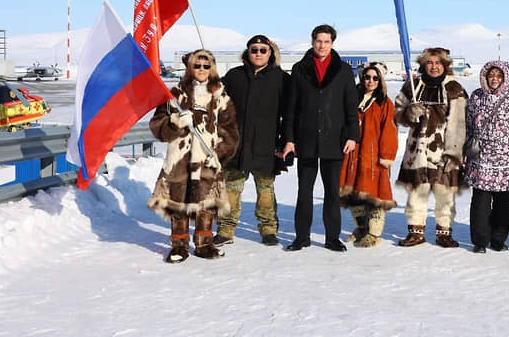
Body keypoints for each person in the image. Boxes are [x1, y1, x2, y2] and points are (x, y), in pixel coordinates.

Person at [147, 49, 239, 263]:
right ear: (189, 67)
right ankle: (179, 245)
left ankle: (204, 244)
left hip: (207, 160)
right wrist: (175, 123)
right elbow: (156, 126)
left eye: (206, 66)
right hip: (180, 160)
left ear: (212, 68)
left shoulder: (220, 96)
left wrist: (219, 155)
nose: (201, 70)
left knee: (206, 204)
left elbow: (231, 131)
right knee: (179, 203)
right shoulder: (175, 94)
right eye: (197, 65)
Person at [282, 25, 359, 252]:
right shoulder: (299, 69)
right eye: (318, 41)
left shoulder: (343, 70)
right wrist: (289, 139)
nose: (322, 45)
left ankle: (332, 237)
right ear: (312, 41)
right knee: (304, 191)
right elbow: (291, 108)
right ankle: (302, 237)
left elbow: (350, 107)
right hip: (305, 140)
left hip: (334, 140)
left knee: (331, 192)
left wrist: (352, 136)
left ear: (332, 43)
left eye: (326, 41)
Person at [214, 35, 290, 247]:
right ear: (247, 53)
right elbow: (217, 104)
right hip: (235, 145)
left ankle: (268, 229)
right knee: (230, 190)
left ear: (271, 53)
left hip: (266, 145)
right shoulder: (234, 76)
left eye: (262, 50)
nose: (258, 53)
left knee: (266, 192)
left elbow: (289, 114)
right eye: (254, 50)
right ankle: (226, 230)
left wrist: (286, 141)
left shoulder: (281, 78)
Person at [394, 47, 467, 247]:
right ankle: (415, 232)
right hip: (417, 151)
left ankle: (444, 232)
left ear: (445, 65)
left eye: (438, 63)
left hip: (444, 151)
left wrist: (454, 153)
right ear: (423, 65)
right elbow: (397, 112)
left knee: (445, 196)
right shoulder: (412, 86)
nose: (434, 67)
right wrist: (409, 113)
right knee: (417, 193)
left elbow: (461, 122)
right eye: (430, 63)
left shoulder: (454, 88)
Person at [463, 61, 509, 253]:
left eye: (499, 76)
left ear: (505, 78)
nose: (495, 79)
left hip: (505, 161)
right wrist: (465, 151)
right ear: (485, 76)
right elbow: (469, 125)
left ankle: (498, 239)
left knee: (502, 202)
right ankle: (480, 240)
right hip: (480, 158)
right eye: (491, 75)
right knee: (480, 201)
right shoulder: (476, 97)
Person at [338, 62, 399, 247]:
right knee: (355, 193)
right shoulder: (352, 99)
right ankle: (361, 228)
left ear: (380, 80)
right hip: (352, 155)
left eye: (375, 78)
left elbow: (389, 130)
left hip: (373, 156)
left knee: (374, 195)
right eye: (367, 77)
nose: (370, 81)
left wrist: (386, 155)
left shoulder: (385, 103)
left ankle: (374, 233)